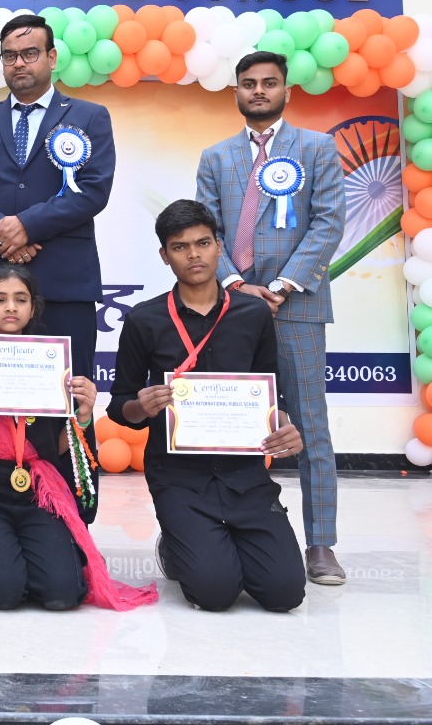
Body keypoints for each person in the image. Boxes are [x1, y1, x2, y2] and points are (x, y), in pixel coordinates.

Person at [108, 199, 307, 613]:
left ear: (218, 246)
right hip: (179, 478)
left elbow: (270, 390)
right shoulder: (144, 319)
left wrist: (284, 425)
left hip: (244, 475)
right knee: (215, 592)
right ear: (164, 256)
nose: (193, 255)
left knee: (285, 593)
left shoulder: (253, 313)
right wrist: (141, 407)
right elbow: (120, 405)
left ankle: (216, 544)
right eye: (180, 247)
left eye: (202, 243)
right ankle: (177, 545)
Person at [196, 50, 346, 586]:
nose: (258, 91)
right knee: (224, 423)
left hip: (297, 307)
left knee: (310, 428)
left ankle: (321, 545)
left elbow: (329, 222)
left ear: (287, 90)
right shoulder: (216, 157)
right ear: (236, 91)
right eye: (249, 83)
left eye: (269, 82)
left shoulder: (317, 148)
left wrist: (281, 285)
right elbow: (206, 230)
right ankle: (210, 533)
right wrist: (237, 286)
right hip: (231, 307)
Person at [0, 264, 157, 612]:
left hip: (38, 490)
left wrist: (83, 414)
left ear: (33, 308)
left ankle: (10, 554)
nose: (10, 307)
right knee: (0, 592)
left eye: (20, 299)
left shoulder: (52, 363)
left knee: (63, 594)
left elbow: (57, 447)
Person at [0, 13, 116, 386]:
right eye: (10, 56)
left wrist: (27, 225)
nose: (19, 63)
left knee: (71, 397)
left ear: (51, 58)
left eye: (29, 53)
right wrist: (0, 231)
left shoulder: (89, 117)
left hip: (64, 283)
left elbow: (93, 189)